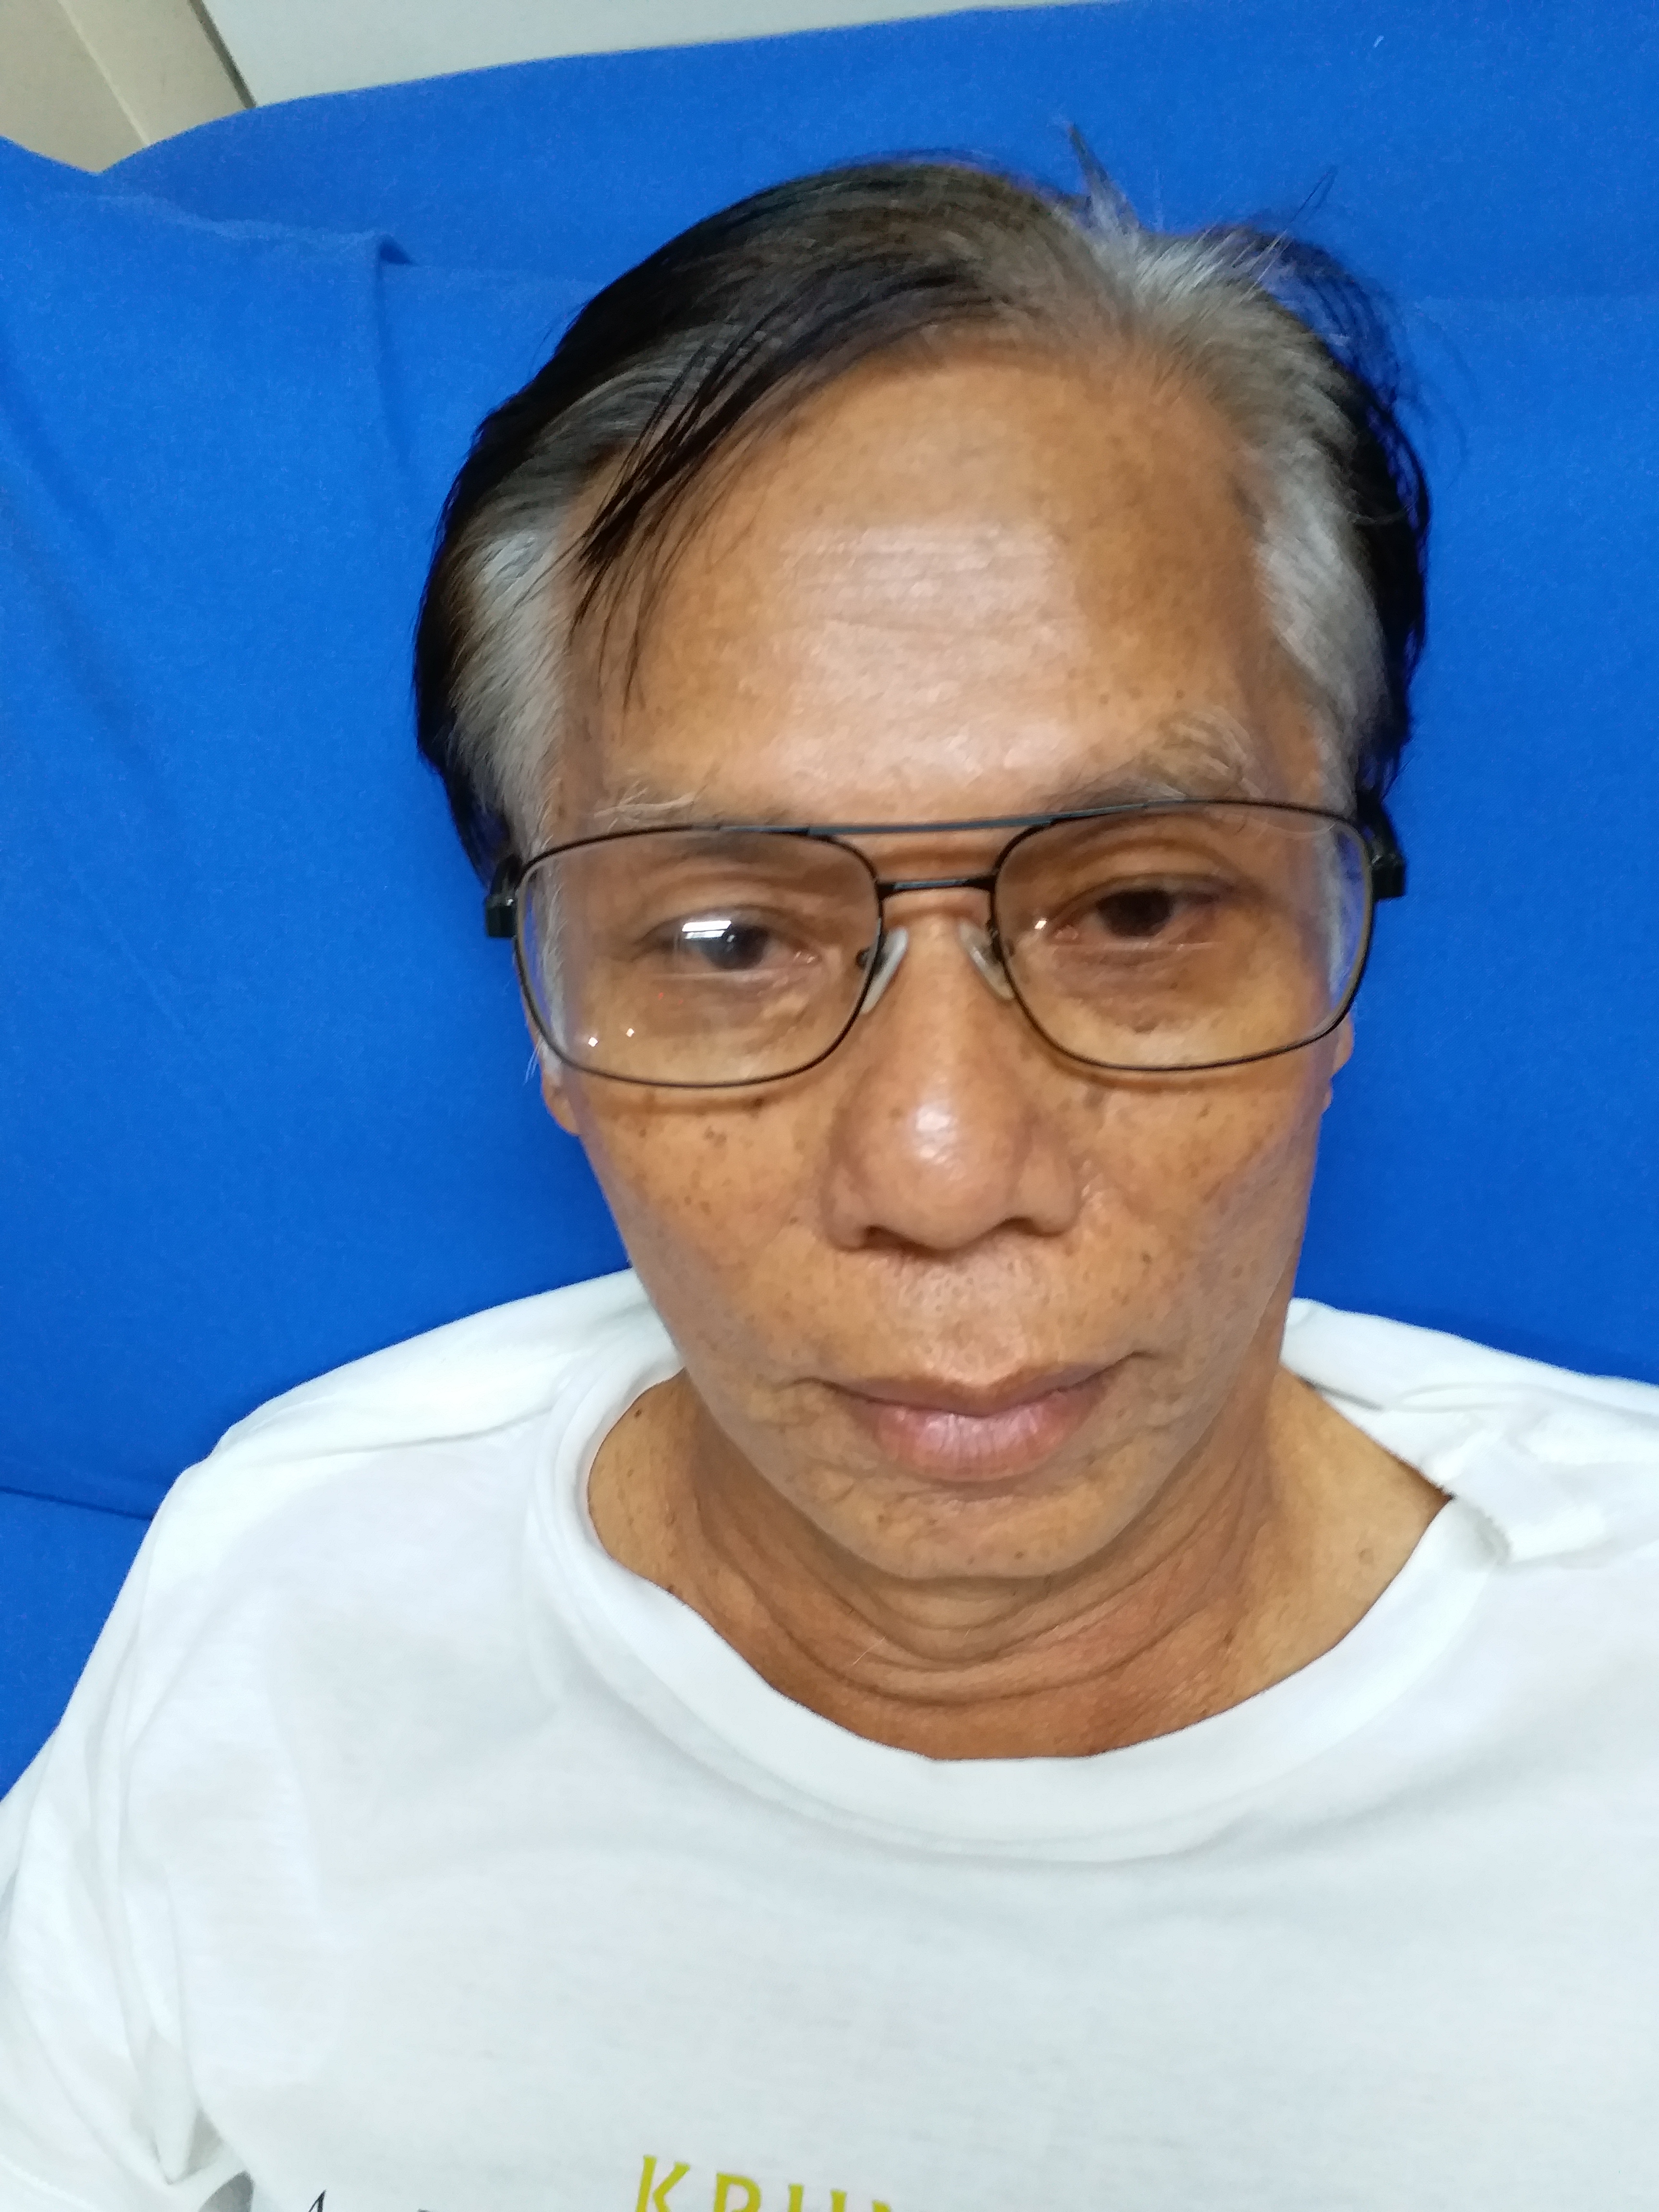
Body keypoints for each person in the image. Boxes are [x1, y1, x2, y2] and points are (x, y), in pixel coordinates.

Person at [2, 155, 1656, 2212]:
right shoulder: (285, 1605)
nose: (943, 1171)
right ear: (549, 1025)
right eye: (727, 941)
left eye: (1139, 909)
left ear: (1339, 959)